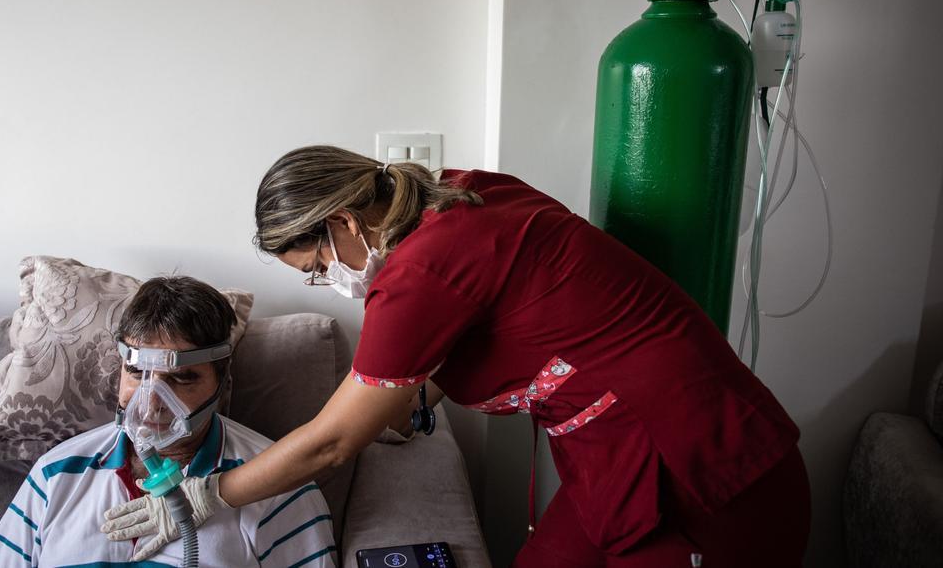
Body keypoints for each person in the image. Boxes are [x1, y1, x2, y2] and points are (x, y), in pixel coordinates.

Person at [107, 146, 811, 567]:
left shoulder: (420, 270)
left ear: (344, 222)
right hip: (614, 456)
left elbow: (330, 445)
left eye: (318, 267)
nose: (329, 284)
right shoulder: (461, 192)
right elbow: (493, 315)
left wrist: (210, 494)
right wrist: (417, 395)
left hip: (702, 461)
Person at [0, 275, 336, 568]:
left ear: (222, 385)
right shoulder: (55, 475)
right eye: (137, 373)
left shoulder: (280, 487)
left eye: (181, 379)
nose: (150, 403)